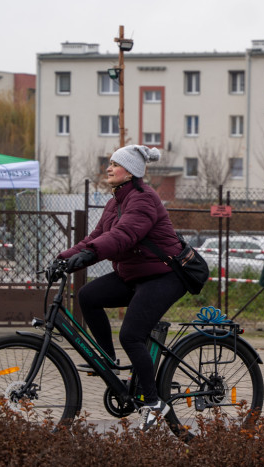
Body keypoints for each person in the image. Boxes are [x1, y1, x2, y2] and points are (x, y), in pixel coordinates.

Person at [52, 145, 185, 430]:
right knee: (88, 296)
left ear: (130, 171)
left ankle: (153, 403)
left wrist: (89, 255)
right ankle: (108, 360)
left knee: (131, 335)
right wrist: (63, 259)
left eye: (115, 164)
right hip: (137, 274)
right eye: (109, 163)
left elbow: (123, 236)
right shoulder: (115, 203)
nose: (109, 168)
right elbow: (95, 238)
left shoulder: (144, 199)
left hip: (164, 275)